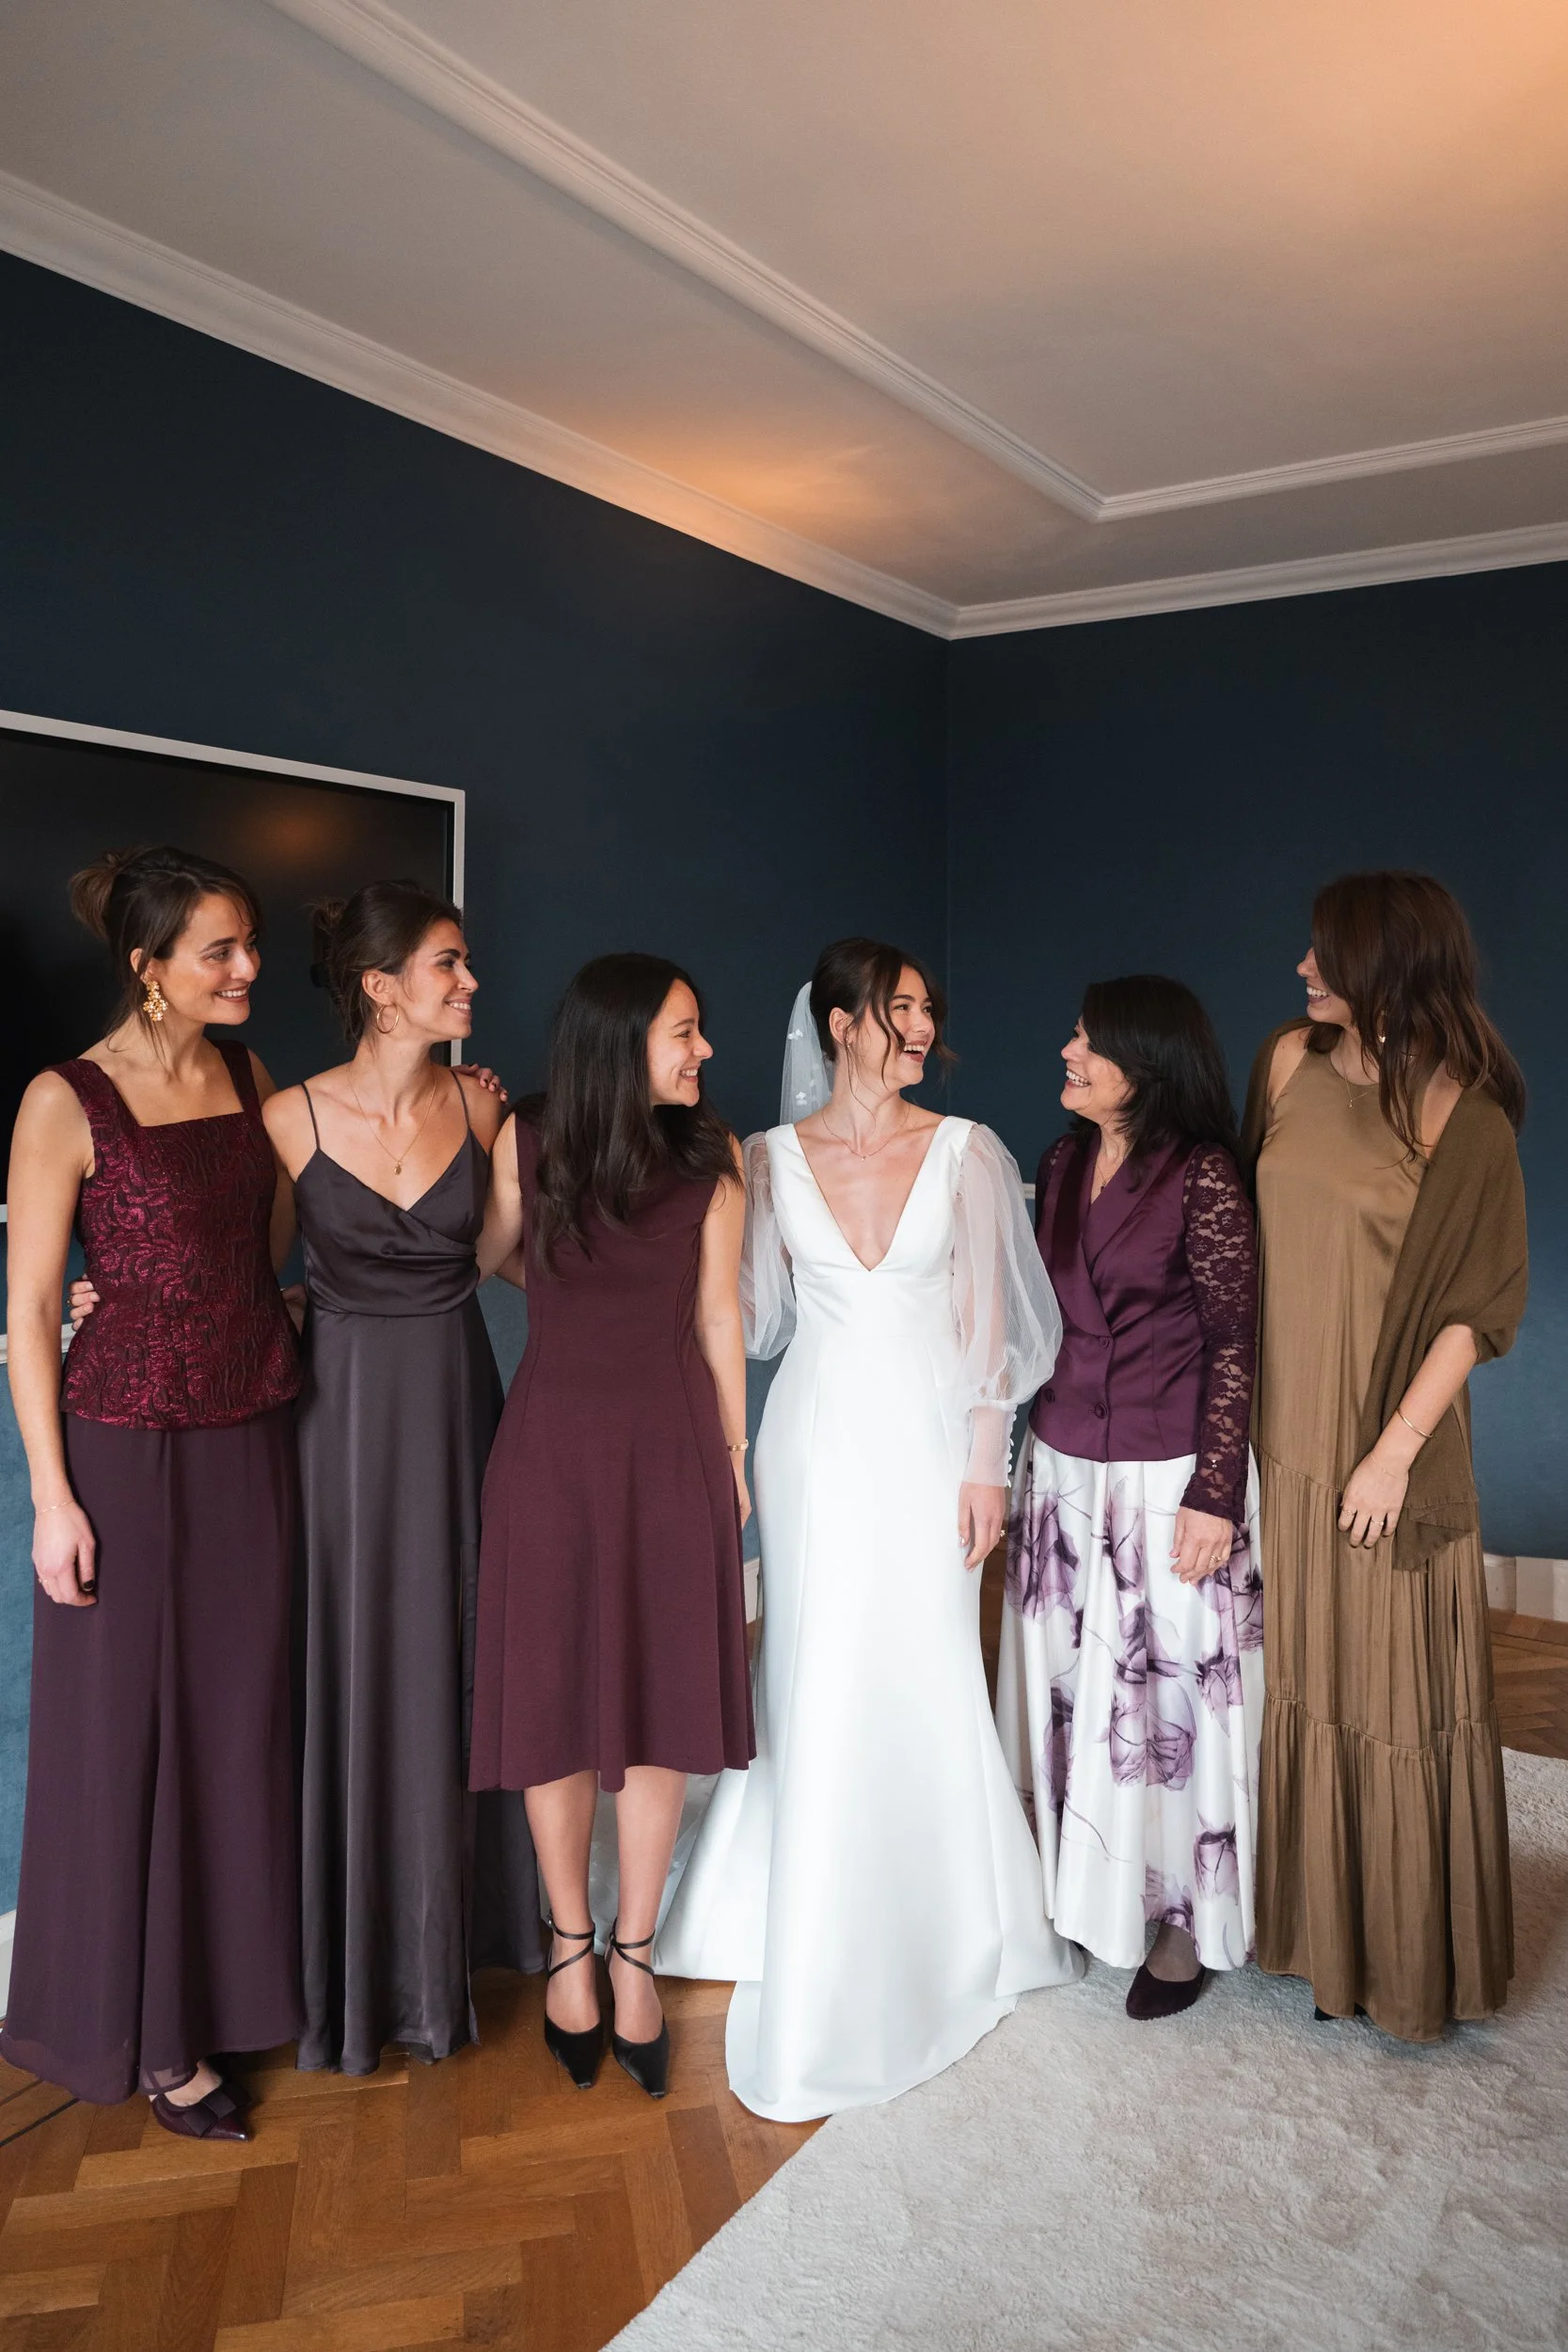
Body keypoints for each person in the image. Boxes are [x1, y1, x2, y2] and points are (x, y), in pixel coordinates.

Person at [656, 938, 1081, 2122]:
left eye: (926, 1012)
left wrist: (983, 1463)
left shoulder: (968, 1152)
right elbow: (734, 1313)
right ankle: (788, 1894)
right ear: (838, 1023)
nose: (917, 1031)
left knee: (927, 1657)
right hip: (812, 1446)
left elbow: (990, 1321)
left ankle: (953, 1904)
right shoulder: (765, 1158)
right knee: (811, 1661)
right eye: (898, 1010)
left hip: (926, 1442)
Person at [2, 847, 301, 2137]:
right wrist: (50, 1503)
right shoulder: (64, 1100)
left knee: (240, 1722)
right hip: (120, 1448)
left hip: (256, 1432)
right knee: (126, 1732)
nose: (246, 969)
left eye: (247, 945)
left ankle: (238, 1997)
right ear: (149, 968)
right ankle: (149, 2036)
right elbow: (23, 1314)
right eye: (217, 952)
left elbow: (277, 1247)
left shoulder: (252, 1075)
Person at [259, 881, 541, 2074]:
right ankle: (354, 1957)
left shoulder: (483, 1114)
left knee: (462, 1651)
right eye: (447, 964)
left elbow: (502, 1260)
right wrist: (98, 1303)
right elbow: (250, 1282)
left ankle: (460, 1941)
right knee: (353, 1660)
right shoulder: (283, 1119)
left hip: (455, 1402)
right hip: (339, 1424)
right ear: (380, 989)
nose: (470, 983)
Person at [1245, 871, 1528, 2041]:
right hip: (1282, 1433)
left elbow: (1474, 1309)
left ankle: (1408, 1970)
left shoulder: (1465, 1117)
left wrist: (1392, 1453)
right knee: (1305, 1683)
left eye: (1323, 956)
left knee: (1394, 1696)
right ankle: (1319, 1943)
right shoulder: (1284, 1068)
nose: (1302, 971)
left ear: (1384, 968)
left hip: (1383, 1449)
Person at [468, 954, 753, 2099]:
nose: (704, 1051)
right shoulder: (524, 1138)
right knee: (548, 1703)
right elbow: (490, 1254)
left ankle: (635, 1951)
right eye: (685, 1031)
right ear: (620, 1040)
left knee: (653, 1708)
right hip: (548, 1455)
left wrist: (733, 1467)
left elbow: (719, 1312)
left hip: (671, 1448)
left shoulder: (712, 1153)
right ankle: (566, 1946)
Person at [997, 977, 1262, 2021]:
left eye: (1086, 1040)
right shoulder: (1061, 1162)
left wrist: (1214, 1493)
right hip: (1062, 1469)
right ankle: (1078, 1886)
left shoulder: (1202, 1176)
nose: (1066, 1049)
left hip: (1167, 1477)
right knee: (1073, 1690)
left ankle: (1179, 1920)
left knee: (1163, 1707)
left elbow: (1234, 1338)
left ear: (1142, 1067)